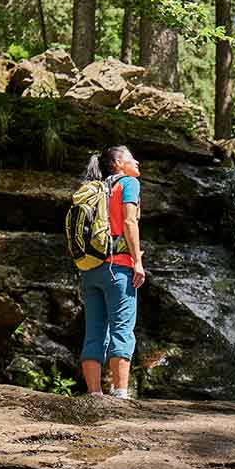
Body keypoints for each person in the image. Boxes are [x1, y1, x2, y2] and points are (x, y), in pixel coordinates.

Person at [79, 145, 146, 398]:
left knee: (94, 331)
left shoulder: (95, 190)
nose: (137, 161)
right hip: (117, 268)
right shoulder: (128, 183)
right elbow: (129, 221)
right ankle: (120, 395)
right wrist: (137, 261)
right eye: (132, 158)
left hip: (90, 268)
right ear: (118, 163)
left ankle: (94, 395)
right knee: (122, 328)